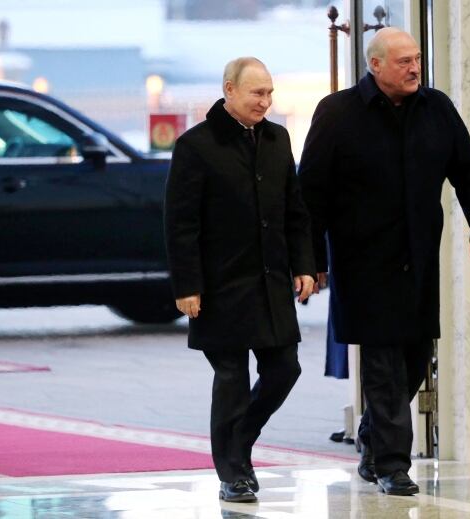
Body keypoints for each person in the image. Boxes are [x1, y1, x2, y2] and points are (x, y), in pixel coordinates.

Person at [298, 28, 470, 495]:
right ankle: (392, 465)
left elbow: (469, 171)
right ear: (376, 65)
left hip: (418, 258)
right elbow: (311, 194)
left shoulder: (437, 108)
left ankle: (372, 438)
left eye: (418, 60)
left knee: (413, 358)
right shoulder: (338, 113)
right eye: (404, 61)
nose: (415, 69)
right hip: (362, 262)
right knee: (384, 362)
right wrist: (309, 261)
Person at [164, 57, 316, 503]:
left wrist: (304, 265)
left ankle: (239, 441)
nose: (265, 102)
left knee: (284, 369)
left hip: (270, 285)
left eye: (269, 93)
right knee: (230, 377)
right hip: (220, 287)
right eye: (257, 93)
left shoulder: (277, 138)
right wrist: (186, 286)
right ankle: (232, 472)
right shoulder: (196, 145)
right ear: (229, 90)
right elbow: (180, 223)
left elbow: (295, 210)